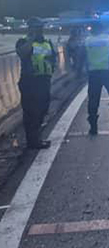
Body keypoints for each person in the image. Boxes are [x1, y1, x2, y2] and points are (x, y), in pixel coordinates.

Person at [15, 18, 56, 149]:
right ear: (30, 28)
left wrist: (51, 69)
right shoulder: (23, 41)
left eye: (40, 27)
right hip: (29, 81)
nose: (39, 30)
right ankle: (33, 141)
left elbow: (52, 58)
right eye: (36, 28)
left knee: (43, 109)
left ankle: (36, 137)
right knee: (31, 112)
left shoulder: (47, 42)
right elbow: (22, 53)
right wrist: (30, 39)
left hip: (44, 81)